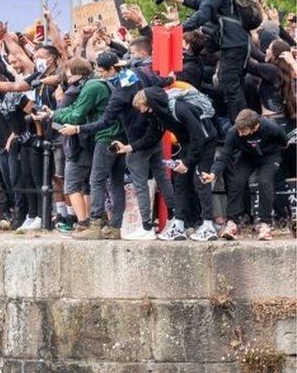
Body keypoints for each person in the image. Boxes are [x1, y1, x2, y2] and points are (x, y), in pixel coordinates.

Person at [161, 0, 250, 121]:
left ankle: (242, 127)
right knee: (230, 84)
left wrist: (180, 28)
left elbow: (203, 13)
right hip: (237, 41)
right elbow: (202, 4)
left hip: (233, 43)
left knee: (230, 85)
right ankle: (241, 125)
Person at [132, 86, 219, 241]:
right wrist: (130, 147)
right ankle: (179, 224)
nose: (144, 112)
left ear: (152, 103)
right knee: (180, 182)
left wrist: (187, 161)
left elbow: (199, 137)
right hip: (188, 144)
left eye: (144, 108)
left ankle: (208, 225)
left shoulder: (179, 109)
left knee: (200, 179)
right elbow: (153, 135)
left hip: (205, 141)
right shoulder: (160, 114)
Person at [51, 57, 119, 235]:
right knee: (110, 182)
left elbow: (76, 114)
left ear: (77, 72)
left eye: (67, 73)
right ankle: (110, 223)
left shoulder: (91, 87)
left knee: (91, 181)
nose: (66, 77)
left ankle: (91, 223)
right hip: (103, 137)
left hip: (101, 137)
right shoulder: (95, 84)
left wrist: (54, 114)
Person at [212, 110, 288, 241]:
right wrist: (214, 173)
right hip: (247, 155)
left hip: (270, 155)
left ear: (256, 127)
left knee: (264, 181)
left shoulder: (270, 127)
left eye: (244, 131)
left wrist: (275, 153)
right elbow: (224, 156)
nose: (240, 134)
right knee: (236, 180)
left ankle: (265, 223)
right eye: (239, 131)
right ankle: (233, 222)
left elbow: (284, 140)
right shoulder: (234, 132)